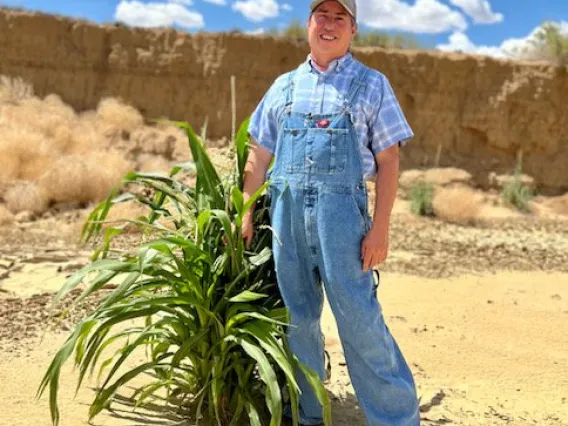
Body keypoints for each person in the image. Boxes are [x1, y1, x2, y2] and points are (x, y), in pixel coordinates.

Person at [241, 0, 420, 424]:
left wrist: (380, 231)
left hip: (343, 222)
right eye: (322, 15)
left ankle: (396, 417)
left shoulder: (372, 84)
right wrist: (245, 211)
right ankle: (308, 413)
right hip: (286, 222)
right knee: (298, 319)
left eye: (341, 17)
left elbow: (390, 161)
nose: (330, 24)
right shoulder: (283, 86)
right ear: (308, 24)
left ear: (353, 30)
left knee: (358, 319)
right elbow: (258, 154)